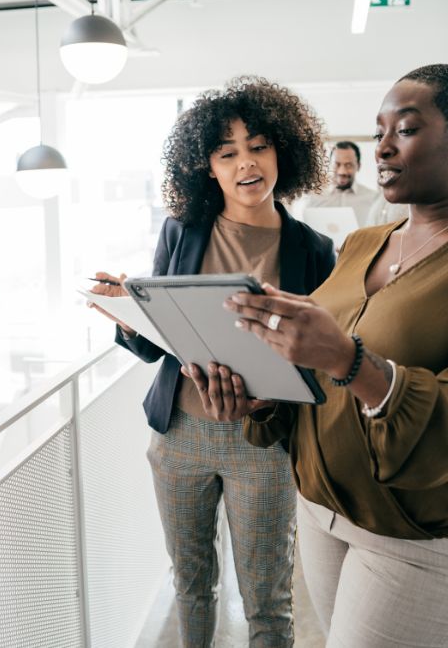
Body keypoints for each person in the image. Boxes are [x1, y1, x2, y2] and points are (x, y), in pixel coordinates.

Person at [198, 64, 448, 647]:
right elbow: (313, 377)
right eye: (380, 129)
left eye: (406, 130)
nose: (382, 148)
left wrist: (350, 361)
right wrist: (262, 396)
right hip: (322, 512)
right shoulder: (364, 243)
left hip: (418, 537)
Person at [89, 76, 336, 648]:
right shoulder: (182, 231)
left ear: (284, 152)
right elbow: (158, 347)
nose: (246, 163)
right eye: (227, 153)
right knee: (191, 586)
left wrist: (276, 394)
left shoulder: (315, 252)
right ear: (209, 168)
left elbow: (323, 361)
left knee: (267, 603)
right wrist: (128, 315)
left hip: (264, 445)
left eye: (258, 146)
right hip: (178, 437)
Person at [296, 141, 408, 227]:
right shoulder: (312, 198)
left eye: (348, 165)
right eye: (337, 164)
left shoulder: (373, 199)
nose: (342, 172)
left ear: (358, 166)